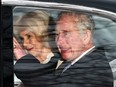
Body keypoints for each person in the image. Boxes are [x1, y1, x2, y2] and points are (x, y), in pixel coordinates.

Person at [54, 11, 113, 87]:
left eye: (66, 33)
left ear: (85, 36)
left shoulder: (88, 75)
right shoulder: (88, 64)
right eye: (56, 34)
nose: (58, 41)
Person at [13, 10, 60, 87]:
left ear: (42, 34)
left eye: (29, 36)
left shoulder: (59, 65)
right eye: (22, 38)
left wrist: (23, 60)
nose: (24, 44)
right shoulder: (36, 62)